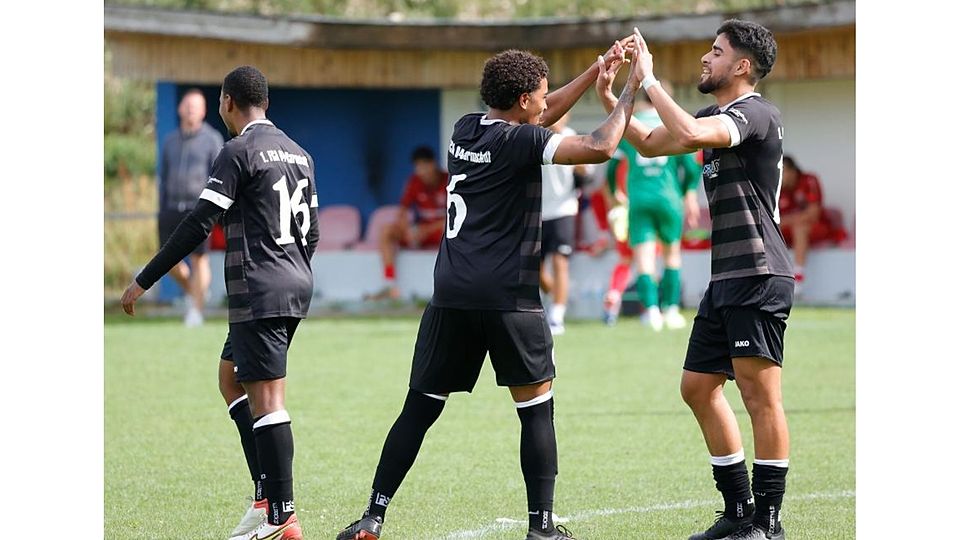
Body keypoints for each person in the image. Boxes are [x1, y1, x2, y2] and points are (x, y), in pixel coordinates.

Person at [336, 33, 645, 540]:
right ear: (524, 101)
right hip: (509, 298)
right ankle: (542, 527)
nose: (547, 103)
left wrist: (594, 74)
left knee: (419, 408)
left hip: (451, 295)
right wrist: (630, 87)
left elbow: (539, 116)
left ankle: (373, 515)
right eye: (541, 95)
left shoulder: (465, 130)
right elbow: (601, 146)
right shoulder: (522, 140)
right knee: (535, 410)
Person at [597, 20, 793, 540]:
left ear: (742, 66)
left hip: (759, 273)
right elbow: (651, 144)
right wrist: (614, 96)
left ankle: (767, 524)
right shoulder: (712, 114)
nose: (706, 59)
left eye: (716, 51)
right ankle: (737, 510)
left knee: (759, 396)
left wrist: (652, 79)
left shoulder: (755, 113)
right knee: (698, 388)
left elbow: (685, 133)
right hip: (726, 277)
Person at [121, 65, 318, 540]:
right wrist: (292, 270)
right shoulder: (299, 154)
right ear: (265, 102)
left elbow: (197, 223)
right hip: (294, 282)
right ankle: (264, 497)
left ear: (227, 102)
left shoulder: (237, 151)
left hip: (259, 288)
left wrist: (144, 278)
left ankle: (282, 517)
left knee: (268, 401)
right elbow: (312, 232)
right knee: (231, 377)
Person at [601, 82, 702, 330]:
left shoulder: (629, 124)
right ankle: (671, 310)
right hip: (669, 198)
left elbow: (612, 167)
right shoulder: (672, 124)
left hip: (639, 198)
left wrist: (616, 194)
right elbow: (691, 167)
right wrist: (689, 192)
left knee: (644, 258)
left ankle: (652, 312)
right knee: (671, 255)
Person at [157, 88, 224, 327]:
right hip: (171, 209)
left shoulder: (212, 139)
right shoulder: (170, 140)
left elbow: (219, 175)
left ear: (204, 110)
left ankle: (196, 312)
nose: (190, 110)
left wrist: (213, 208)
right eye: (187, 105)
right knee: (167, 261)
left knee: (199, 260)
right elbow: (163, 177)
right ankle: (195, 292)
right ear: (179, 108)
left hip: (198, 210)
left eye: (195, 106)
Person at [369, 146, 449, 301]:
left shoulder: (449, 180)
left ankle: (450, 287)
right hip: (421, 233)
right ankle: (389, 284)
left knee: (456, 233)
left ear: (433, 164)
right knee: (387, 231)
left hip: (441, 233)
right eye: (418, 167)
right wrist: (408, 229)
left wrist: (427, 229)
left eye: (425, 166)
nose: (421, 171)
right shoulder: (414, 182)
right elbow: (403, 211)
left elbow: (456, 216)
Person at [539, 112, 587, 335]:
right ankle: (554, 296)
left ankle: (557, 315)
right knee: (535, 270)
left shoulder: (570, 137)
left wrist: (575, 159)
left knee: (560, 262)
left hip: (563, 209)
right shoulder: (536, 137)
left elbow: (586, 171)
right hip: (537, 211)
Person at [778, 155, 842, 292]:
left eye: (782, 171)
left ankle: (798, 280)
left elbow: (813, 214)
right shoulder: (776, 187)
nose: (779, 175)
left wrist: (789, 220)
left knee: (800, 228)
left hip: (817, 229)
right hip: (788, 231)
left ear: (793, 171)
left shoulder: (808, 180)